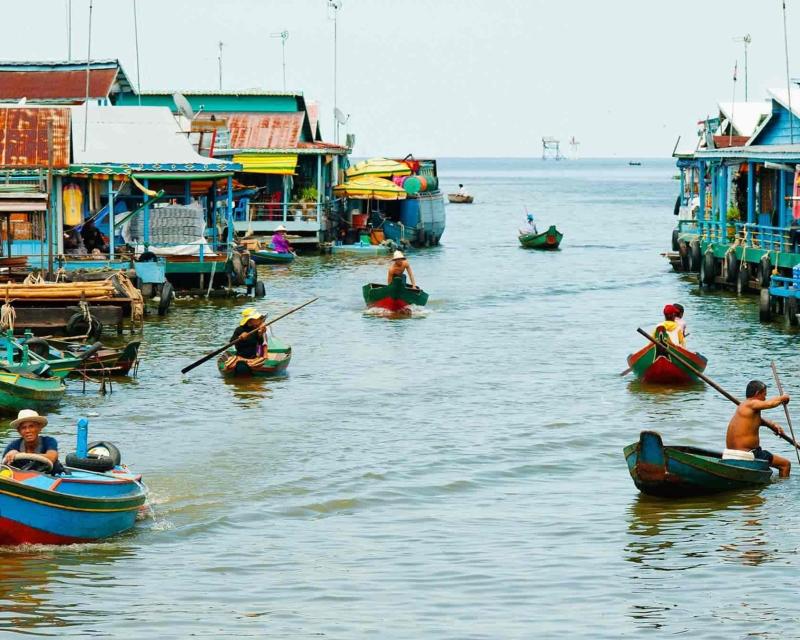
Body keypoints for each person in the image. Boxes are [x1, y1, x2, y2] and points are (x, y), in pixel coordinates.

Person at [726, 380, 791, 478]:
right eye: (764, 395)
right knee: (785, 464)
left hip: (733, 452)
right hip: (748, 453)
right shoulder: (751, 403)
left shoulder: (744, 407)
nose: (765, 398)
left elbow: (758, 421)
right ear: (757, 393)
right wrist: (784, 398)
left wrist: (774, 425)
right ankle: (784, 489)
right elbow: (770, 404)